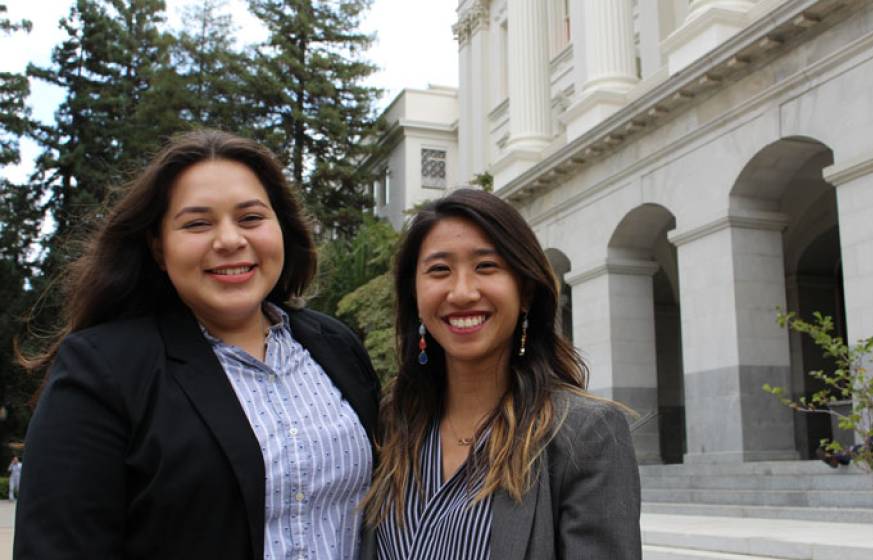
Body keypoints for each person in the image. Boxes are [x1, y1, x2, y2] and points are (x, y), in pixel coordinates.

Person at [14, 130, 380, 559]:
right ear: (158, 246)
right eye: (197, 223)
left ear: (281, 227)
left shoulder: (336, 347)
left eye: (250, 218)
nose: (229, 240)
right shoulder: (102, 370)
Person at [361, 189, 641, 559]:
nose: (461, 293)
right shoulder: (392, 425)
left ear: (524, 291)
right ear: (414, 295)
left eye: (486, 266)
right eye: (439, 270)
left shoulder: (584, 434)